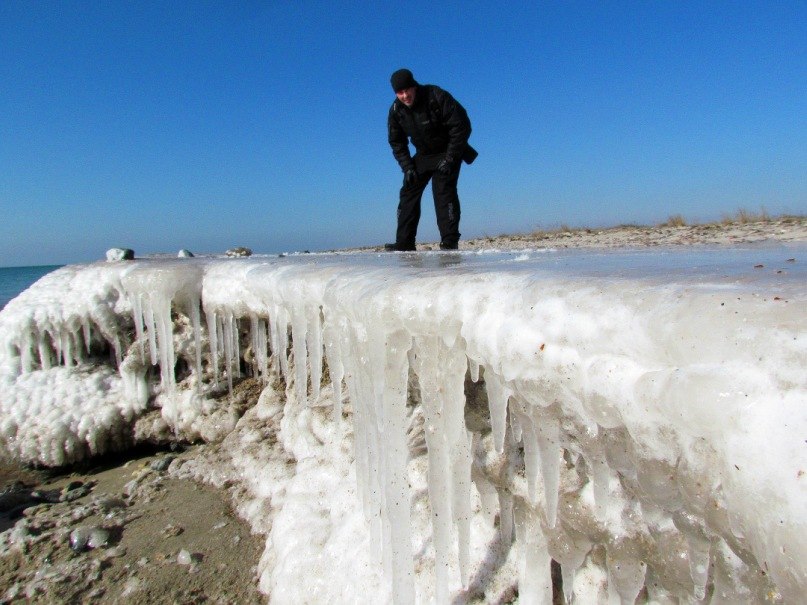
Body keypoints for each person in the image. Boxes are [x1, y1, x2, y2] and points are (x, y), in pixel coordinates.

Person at [386, 68, 477, 251]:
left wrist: (451, 158)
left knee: (443, 191)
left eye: (407, 90)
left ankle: (449, 241)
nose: (405, 96)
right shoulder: (396, 110)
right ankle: (404, 242)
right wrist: (407, 167)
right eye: (400, 92)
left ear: (414, 86)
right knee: (408, 190)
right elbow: (396, 142)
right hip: (424, 155)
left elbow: (461, 126)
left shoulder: (435, 95)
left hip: (447, 151)